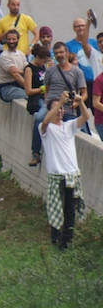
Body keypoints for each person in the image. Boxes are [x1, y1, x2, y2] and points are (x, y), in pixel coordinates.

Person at [41, 90, 89, 249]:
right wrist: (60, 102)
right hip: (57, 175)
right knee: (56, 209)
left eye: (62, 109)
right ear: (50, 110)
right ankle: (55, 239)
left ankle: (66, 243)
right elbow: (46, 121)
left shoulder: (69, 126)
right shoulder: (46, 129)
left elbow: (85, 117)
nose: (60, 112)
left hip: (71, 174)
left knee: (70, 210)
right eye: (57, 109)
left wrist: (80, 102)